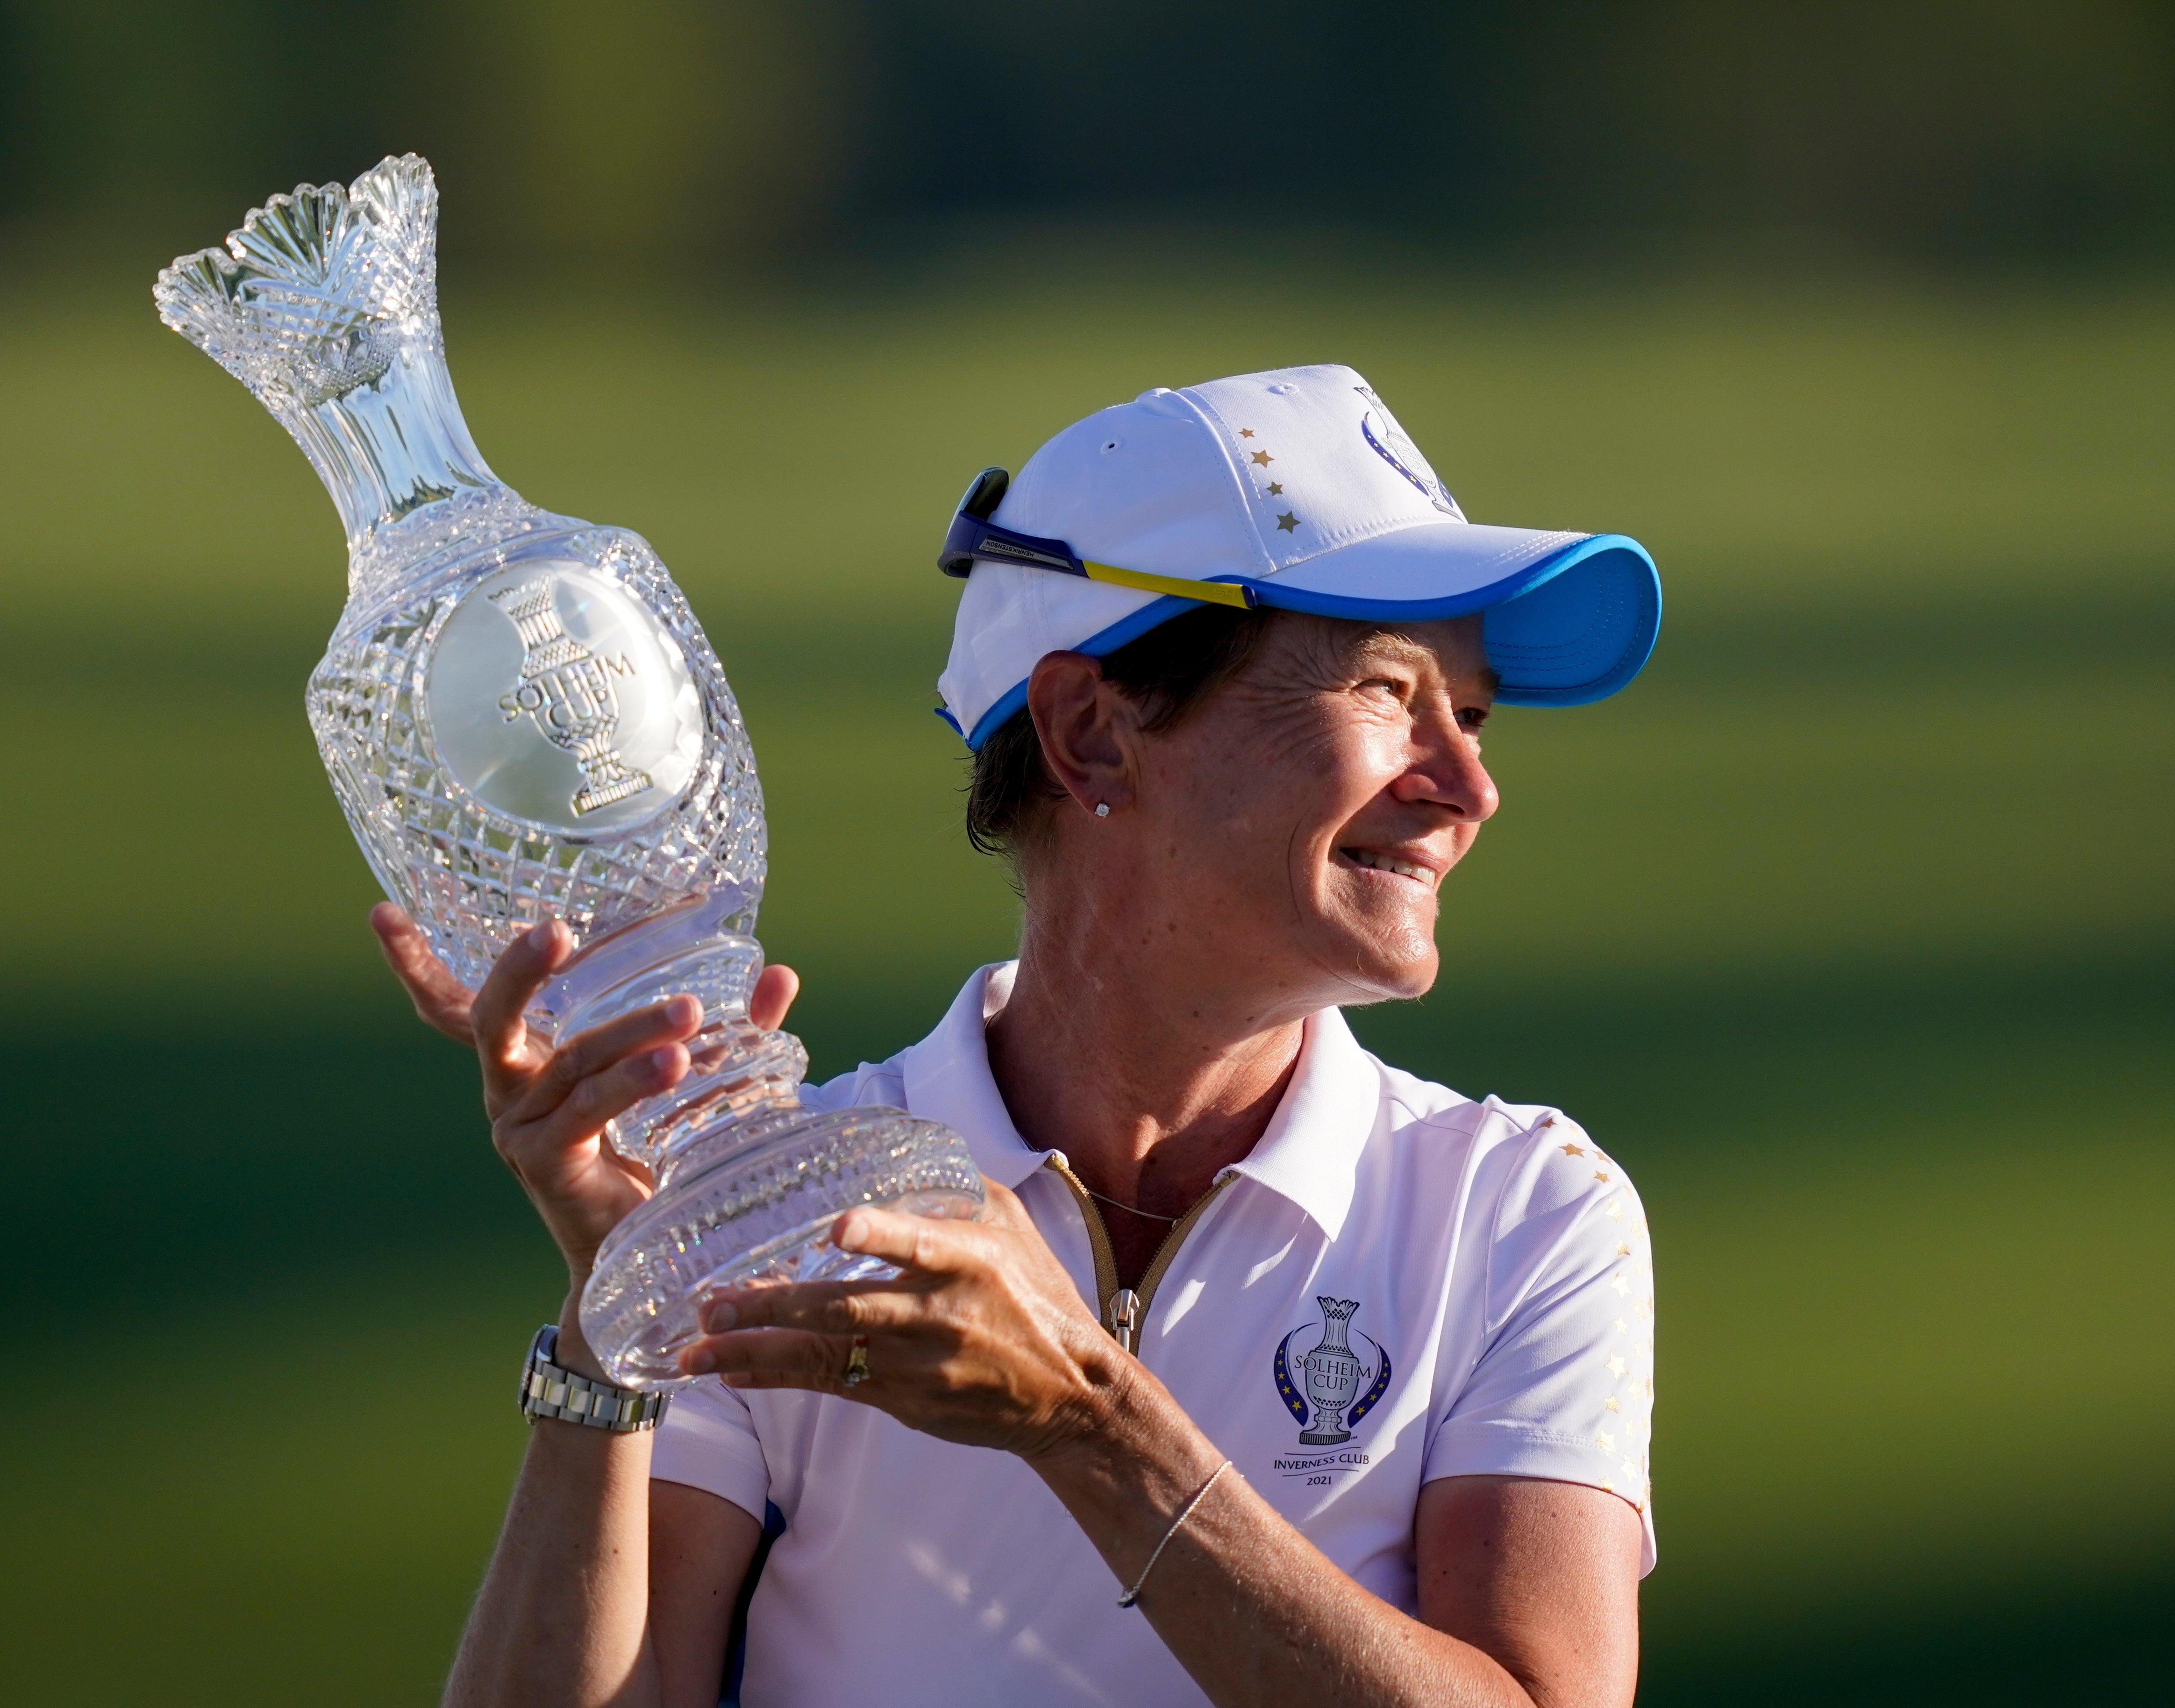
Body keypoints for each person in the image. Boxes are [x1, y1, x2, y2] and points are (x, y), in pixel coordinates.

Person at [374, 366, 1664, 1708]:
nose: (1468, 787)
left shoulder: (1517, 1206)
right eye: (1389, 692)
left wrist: (1095, 1422)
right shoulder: (781, 1211)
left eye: (1471, 713)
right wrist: (611, 1321)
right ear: (1091, 734)